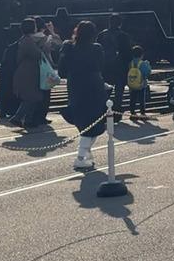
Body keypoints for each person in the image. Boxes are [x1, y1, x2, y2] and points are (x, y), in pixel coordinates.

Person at [58, 20, 110, 170]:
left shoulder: (68, 47)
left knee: (84, 121)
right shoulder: (97, 48)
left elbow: (61, 70)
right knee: (94, 122)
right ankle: (81, 157)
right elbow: (101, 66)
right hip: (94, 86)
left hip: (75, 85)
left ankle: (86, 153)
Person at [9, 19, 46, 128]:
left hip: (28, 72)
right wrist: (43, 45)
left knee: (33, 96)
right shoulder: (28, 40)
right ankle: (18, 117)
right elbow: (38, 54)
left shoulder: (24, 39)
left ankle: (28, 120)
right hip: (28, 73)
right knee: (31, 97)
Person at [97, 14, 134, 121]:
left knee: (105, 92)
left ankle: (103, 112)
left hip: (105, 67)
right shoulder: (124, 36)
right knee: (119, 93)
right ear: (120, 24)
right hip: (120, 67)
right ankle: (117, 114)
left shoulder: (102, 35)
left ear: (109, 22)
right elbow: (128, 54)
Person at [0, 35, 21, 120]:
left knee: (2, 93)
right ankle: (11, 110)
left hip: (3, 71)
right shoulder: (17, 47)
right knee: (10, 92)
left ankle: (2, 110)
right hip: (11, 72)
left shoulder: (9, 48)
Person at [127, 45, 152, 120]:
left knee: (132, 99)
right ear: (142, 55)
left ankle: (132, 113)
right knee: (141, 99)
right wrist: (148, 65)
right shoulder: (142, 63)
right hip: (141, 84)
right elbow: (147, 73)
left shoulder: (130, 63)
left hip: (132, 84)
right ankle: (142, 113)